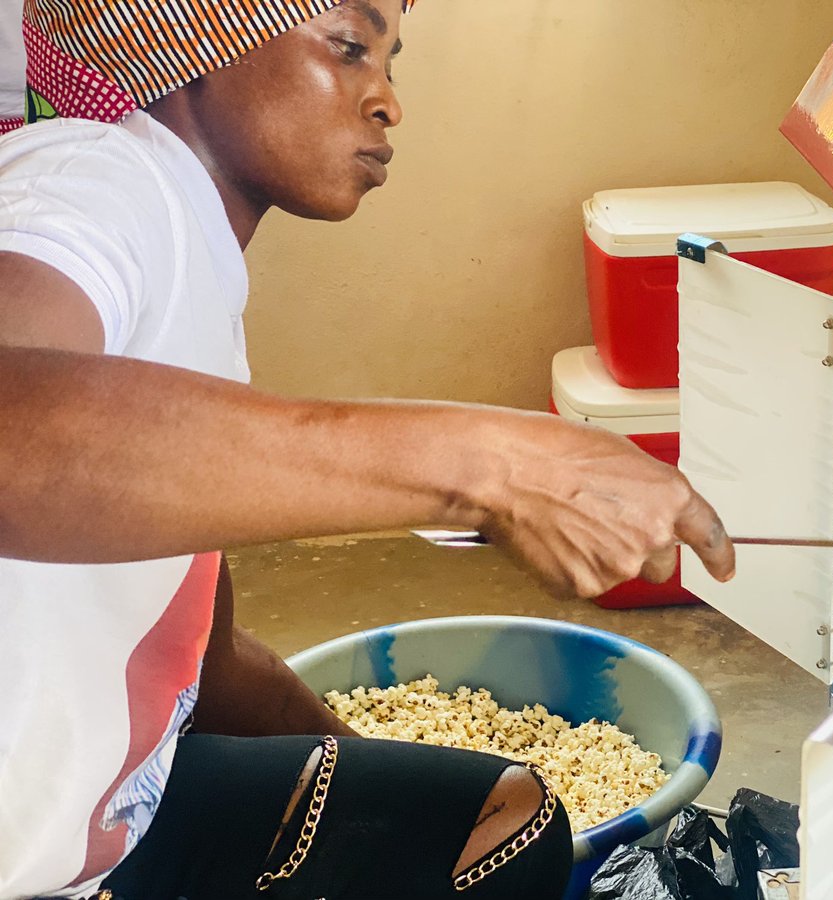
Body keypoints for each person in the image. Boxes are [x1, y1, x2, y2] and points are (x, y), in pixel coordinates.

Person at [0, 1, 736, 898]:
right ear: (189, 43)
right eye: (349, 48)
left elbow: (211, 663)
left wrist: (363, 779)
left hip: (117, 827)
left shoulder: (196, 275)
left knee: (503, 822)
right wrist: (487, 467)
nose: (386, 100)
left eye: (392, 63)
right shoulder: (91, 177)